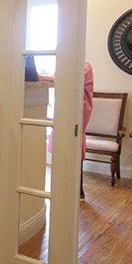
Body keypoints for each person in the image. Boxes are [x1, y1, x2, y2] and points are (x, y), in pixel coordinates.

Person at [42, 62, 94, 199]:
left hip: (77, 111)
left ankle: (75, 190)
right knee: (62, 147)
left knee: (73, 146)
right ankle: (65, 188)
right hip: (66, 109)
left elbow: (66, 80)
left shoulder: (84, 66)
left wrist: (41, 77)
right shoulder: (66, 63)